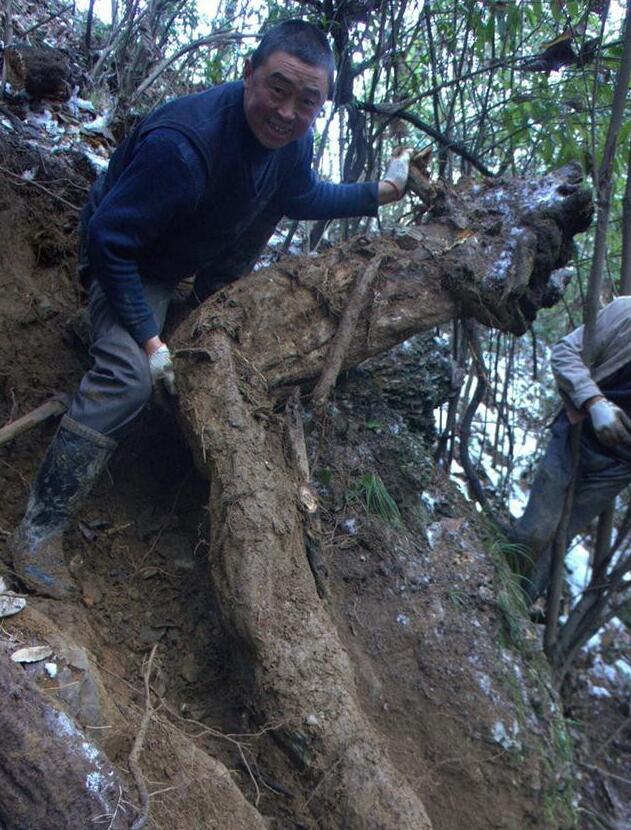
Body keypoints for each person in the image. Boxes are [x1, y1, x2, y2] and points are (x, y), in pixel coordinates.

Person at [8, 19, 412, 599]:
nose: (286, 112)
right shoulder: (182, 146)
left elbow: (302, 196)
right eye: (277, 88)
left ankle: (205, 304)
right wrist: (150, 345)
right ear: (248, 73)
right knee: (126, 383)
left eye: (307, 102)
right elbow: (109, 241)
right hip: (132, 262)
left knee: (268, 202)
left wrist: (380, 193)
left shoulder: (290, 141)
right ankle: (37, 532)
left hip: (189, 257)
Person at [511, 296, 631, 601]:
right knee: (534, 533)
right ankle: (491, 590)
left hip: (618, 467)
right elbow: (565, 352)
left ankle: (509, 615)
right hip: (576, 436)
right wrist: (594, 402)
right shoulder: (626, 313)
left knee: (556, 547)